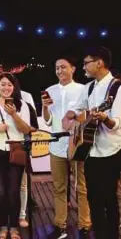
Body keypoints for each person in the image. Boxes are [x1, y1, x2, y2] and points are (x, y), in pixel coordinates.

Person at [63, 46, 121, 239]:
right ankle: (100, 234)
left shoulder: (117, 87)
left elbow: (116, 124)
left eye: (87, 62)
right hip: (89, 150)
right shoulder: (89, 87)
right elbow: (78, 108)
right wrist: (71, 119)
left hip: (110, 150)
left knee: (109, 197)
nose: (84, 66)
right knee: (92, 197)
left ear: (99, 63)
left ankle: (111, 235)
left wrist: (104, 118)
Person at [42, 56, 91, 238]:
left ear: (73, 68)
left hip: (77, 145)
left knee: (81, 187)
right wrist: (46, 107)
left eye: (63, 67)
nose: (60, 71)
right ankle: (60, 225)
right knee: (59, 187)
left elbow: (86, 116)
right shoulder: (50, 90)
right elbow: (47, 120)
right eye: (57, 68)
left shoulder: (83, 90)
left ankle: (84, 225)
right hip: (56, 145)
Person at [0, 72, 32, 239]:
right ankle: (3, 226)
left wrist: (14, 115)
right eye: (3, 84)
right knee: (0, 191)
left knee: (14, 191)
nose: (6, 87)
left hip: (15, 150)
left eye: (9, 84)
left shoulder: (23, 105)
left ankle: (14, 227)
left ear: (14, 87)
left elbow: (27, 130)